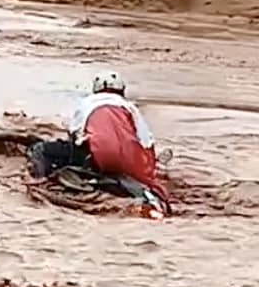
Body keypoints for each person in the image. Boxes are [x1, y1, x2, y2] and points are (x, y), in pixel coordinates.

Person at [28, 72, 168, 212]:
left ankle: (40, 180)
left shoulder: (87, 103)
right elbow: (147, 141)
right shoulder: (130, 108)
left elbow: (75, 133)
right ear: (122, 90)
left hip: (95, 159)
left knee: (41, 149)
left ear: (95, 88)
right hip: (129, 165)